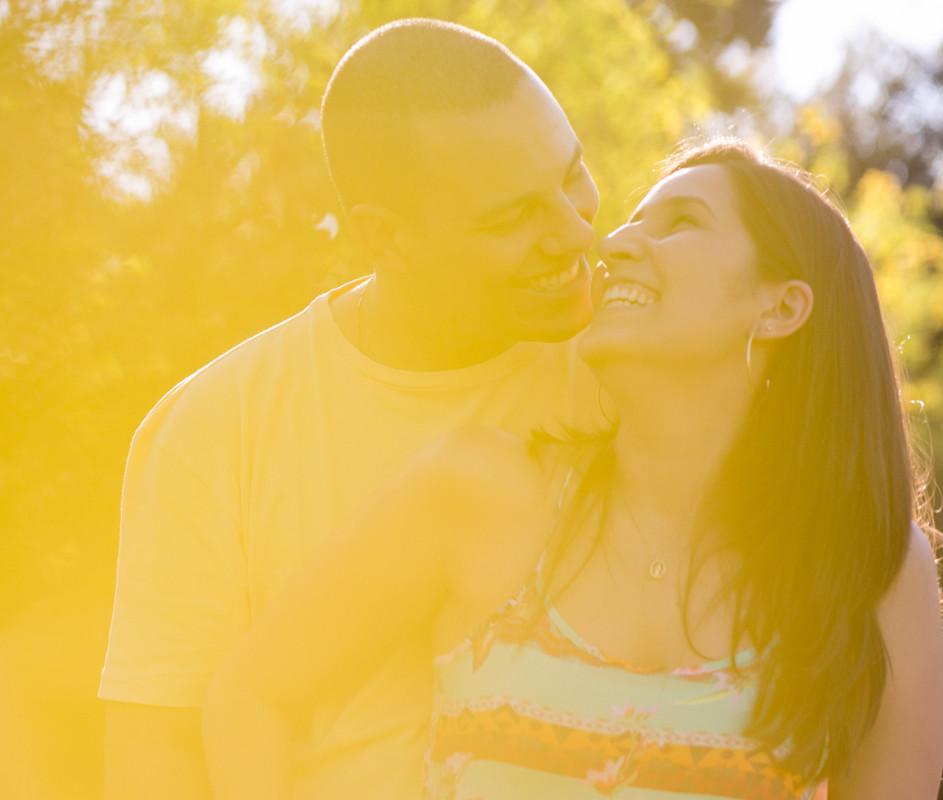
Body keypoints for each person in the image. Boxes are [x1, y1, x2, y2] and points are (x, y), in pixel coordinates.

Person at [201, 140, 943, 799]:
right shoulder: (484, 492)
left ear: (780, 308)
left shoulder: (872, 566)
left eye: (681, 224)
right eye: (631, 220)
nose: (616, 243)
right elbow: (252, 695)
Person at [99, 18, 604, 800]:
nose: (575, 233)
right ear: (386, 238)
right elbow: (157, 752)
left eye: (573, 176)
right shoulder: (209, 430)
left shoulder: (636, 367)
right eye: (512, 218)